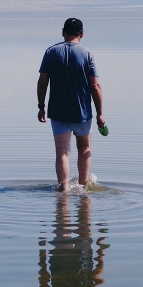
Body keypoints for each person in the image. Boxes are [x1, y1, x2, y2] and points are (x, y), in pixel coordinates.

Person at [37, 18, 105, 192]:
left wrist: (41, 106)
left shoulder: (51, 52)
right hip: (82, 112)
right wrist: (99, 113)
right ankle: (83, 187)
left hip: (58, 112)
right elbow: (95, 85)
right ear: (81, 34)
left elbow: (42, 82)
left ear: (63, 32)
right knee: (84, 148)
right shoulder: (87, 54)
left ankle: (63, 190)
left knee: (62, 152)